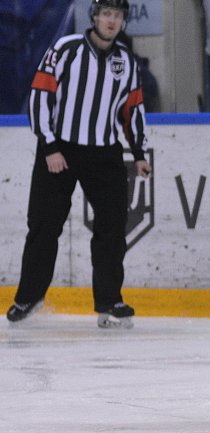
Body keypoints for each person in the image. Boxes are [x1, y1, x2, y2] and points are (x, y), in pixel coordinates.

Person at [5, 0, 151, 329]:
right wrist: (50, 146)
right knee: (43, 225)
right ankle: (28, 297)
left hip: (105, 153)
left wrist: (139, 153)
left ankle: (109, 301)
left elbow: (132, 109)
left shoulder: (126, 61)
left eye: (118, 15)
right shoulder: (65, 49)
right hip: (60, 150)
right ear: (95, 17)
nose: (112, 21)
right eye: (106, 14)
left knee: (112, 229)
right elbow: (40, 96)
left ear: (123, 21)